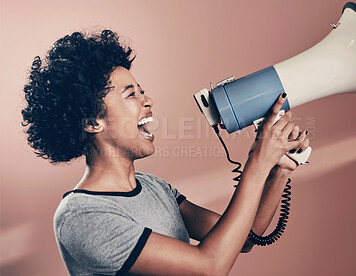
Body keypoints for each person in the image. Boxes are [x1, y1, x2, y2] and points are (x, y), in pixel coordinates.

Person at [21, 30, 310, 275]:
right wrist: (257, 161)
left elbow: (244, 238)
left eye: (142, 90)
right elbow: (209, 266)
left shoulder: (154, 187)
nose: (148, 101)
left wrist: (279, 169)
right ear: (91, 122)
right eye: (131, 94)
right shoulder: (81, 216)